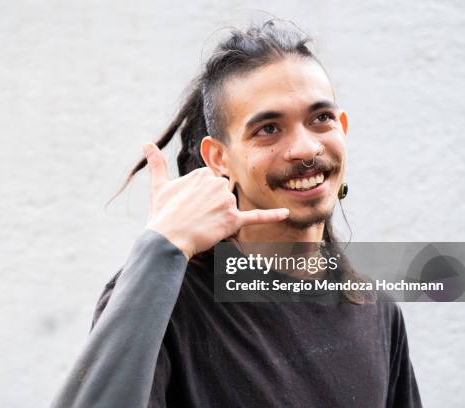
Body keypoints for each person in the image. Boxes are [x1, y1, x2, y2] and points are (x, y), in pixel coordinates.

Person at [52, 20, 422, 408]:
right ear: (219, 158)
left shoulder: (377, 311)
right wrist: (160, 246)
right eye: (268, 129)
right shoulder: (165, 299)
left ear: (342, 128)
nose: (304, 148)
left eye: (320, 118)